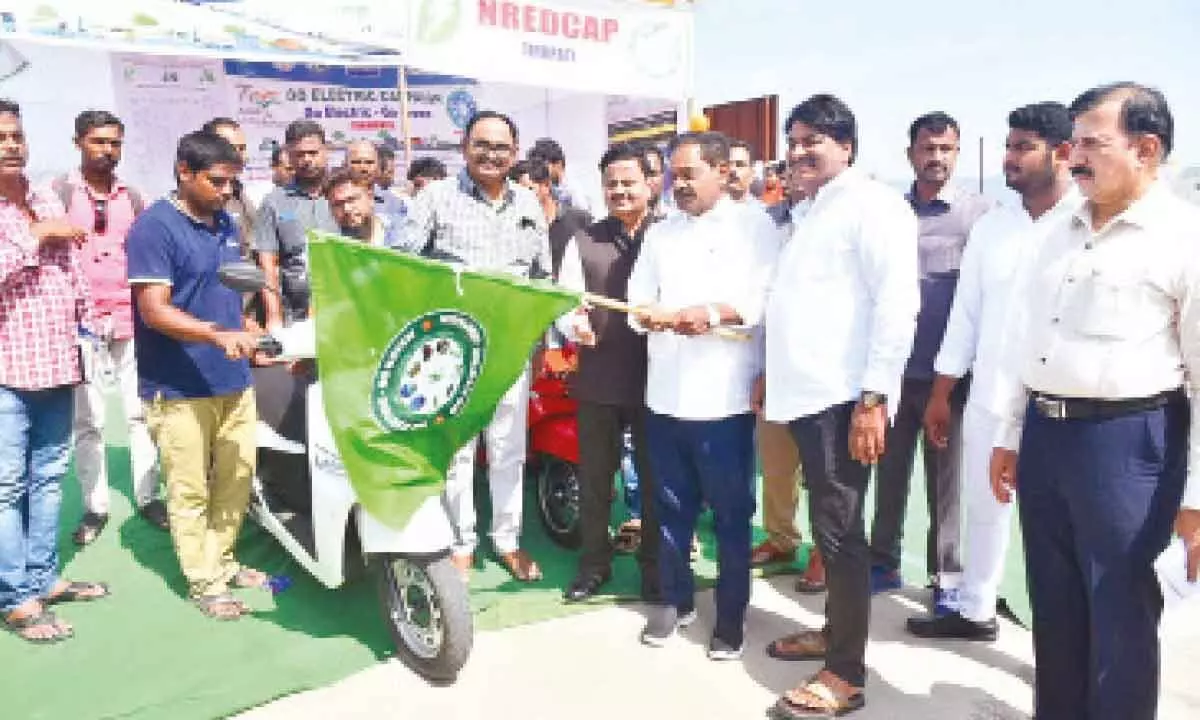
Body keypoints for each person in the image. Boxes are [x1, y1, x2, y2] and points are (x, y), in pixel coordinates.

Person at [990, 82, 1200, 720]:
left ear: (1147, 148)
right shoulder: (1059, 230)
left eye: (1091, 143)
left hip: (1129, 444)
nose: (1073, 157)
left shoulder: (1182, 238)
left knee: (1120, 615)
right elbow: (1031, 338)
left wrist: (1195, 498)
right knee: (1054, 607)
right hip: (1047, 440)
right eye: (1073, 142)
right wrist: (1010, 432)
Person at [759, 94, 918, 718]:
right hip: (806, 397)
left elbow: (897, 306)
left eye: (812, 140)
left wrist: (874, 398)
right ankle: (833, 635)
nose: (798, 151)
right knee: (828, 529)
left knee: (841, 536)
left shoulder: (873, 207)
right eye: (793, 140)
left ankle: (845, 674)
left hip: (843, 401)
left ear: (846, 147)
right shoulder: (810, 211)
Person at [907, 102, 1079, 642]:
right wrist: (942, 391)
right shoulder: (994, 228)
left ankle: (1064, 648)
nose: (1009, 158)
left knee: (1058, 532)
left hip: (1064, 408)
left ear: (1063, 153)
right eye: (1008, 146)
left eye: (1022, 147)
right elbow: (966, 316)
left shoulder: (1086, 224)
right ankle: (975, 611)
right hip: (989, 398)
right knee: (984, 510)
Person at [627, 131, 779, 660]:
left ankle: (731, 618)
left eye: (690, 173)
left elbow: (758, 298)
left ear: (721, 171)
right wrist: (647, 312)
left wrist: (708, 314)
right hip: (664, 396)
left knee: (733, 517)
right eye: (675, 173)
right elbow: (637, 296)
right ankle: (675, 601)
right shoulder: (661, 233)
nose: (679, 183)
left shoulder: (755, 226)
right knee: (670, 510)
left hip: (724, 402)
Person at [399, 110, 551, 582]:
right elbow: (404, 265)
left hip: (511, 348)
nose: (491, 155)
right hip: (452, 351)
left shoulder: (528, 203)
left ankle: (507, 540)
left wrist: (541, 340)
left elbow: (541, 278)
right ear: (464, 146)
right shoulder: (434, 199)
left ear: (515, 152)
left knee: (509, 447)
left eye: (501, 147)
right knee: (459, 450)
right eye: (481, 145)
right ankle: (460, 543)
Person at [127, 130, 267, 621]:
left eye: (232, 182)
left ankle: (223, 561)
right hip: (177, 385)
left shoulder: (225, 223)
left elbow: (223, 292)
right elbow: (154, 311)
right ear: (184, 170)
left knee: (236, 478)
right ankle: (204, 583)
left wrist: (249, 328)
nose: (226, 191)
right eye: (216, 181)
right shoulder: (154, 228)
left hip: (232, 379)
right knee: (189, 488)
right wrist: (214, 336)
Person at [869, 111, 990, 614]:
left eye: (946, 149)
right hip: (895, 372)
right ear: (910, 154)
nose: (936, 158)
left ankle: (946, 577)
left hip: (947, 378)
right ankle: (882, 562)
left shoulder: (978, 216)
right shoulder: (888, 213)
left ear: (957, 154)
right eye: (927, 148)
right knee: (888, 472)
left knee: (945, 483)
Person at [0, 98, 110, 644]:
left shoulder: (41, 195)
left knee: (47, 481)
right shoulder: (30, 215)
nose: (12, 143)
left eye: (16, 134)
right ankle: (15, 598)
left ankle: (43, 579)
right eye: (1, 136)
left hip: (57, 360)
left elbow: (71, 271)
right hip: (7, 371)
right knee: (5, 487)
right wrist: (38, 234)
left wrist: (91, 323)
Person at [555, 143, 659, 603]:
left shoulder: (670, 235)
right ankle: (594, 564)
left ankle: (655, 565)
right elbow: (565, 300)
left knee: (658, 480)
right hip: (599, 377)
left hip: (659, 380)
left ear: (649, 184)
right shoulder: (585, 240)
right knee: (596, 479)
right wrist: (572, 322)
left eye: (628, 182)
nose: (619, 191)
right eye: (611, 183)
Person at [56, 110, 165, 545]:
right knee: (90, 420)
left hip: (131, 320)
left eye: (114, 143)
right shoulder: (57, 193)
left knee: (141, 414)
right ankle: (95, 506)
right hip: (81, 323)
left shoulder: (135, 197)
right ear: (78, 142)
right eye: (98, 142)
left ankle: (147, 496)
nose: (107, 151)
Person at [753, 160, 826, 593]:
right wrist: (761, 368)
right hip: (774, 364)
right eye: (790, 171)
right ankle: (781, 538)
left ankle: (823, 551)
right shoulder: (768, 224)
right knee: (777, 465)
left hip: (822, 373)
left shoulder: (837, 221)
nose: (798, 178)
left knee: (821, 471)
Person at [255, 120, 338, 330]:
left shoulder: (345, 194)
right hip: (297, 317)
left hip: (344, 309)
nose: (307, 160)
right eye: (299, 154)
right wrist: (274, 318)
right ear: (289, 156)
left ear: (326, 151)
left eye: (313, 152)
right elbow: (268, 265)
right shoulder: (274, 202)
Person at [509, 157, 591, 280]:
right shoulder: (518, 226)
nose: (523, 196)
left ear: (546, 185)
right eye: (518, 192)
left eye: (529, 189)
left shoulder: (579, 220)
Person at [201, 118, 257, 259]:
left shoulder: (240, 194)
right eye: (232, 148)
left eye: (242, 148)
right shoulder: (202, 198)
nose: (239, 156)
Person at [324, 168, 402, 248]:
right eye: (338, 204)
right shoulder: (330, 246)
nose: (346, 209)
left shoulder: (404, 236)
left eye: (351, 199)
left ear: (370, 198)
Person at [345, 139, 407, 223]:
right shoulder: (333, 199)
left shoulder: (396, 203)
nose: (363, 168)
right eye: (356, 162)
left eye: (369, 162)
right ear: (345, 165)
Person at [528, 137, 589, 213]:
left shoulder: (575, 187)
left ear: (558, 163)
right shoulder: (550, 185)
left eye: (544, 165)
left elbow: (584, 216)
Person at [726, 139, 757, 204]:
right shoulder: (710, 212)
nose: (732, 169)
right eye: (728, 164)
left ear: (752, 173)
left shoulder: (760, 212)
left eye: (740, 165)